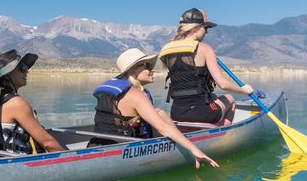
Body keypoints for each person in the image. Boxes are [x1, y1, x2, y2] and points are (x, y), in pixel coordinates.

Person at [90, 48, 218, 168]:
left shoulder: (120, 91)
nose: (152, 70)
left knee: (159, 113)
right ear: (133, 71)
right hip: (122, 150)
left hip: (99, 143)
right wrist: (194, 150)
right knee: (161, 119)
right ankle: (185, 142)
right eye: (147, 66)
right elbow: (162, 127)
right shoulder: (136, 95)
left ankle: (180, 138)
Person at [158, 8, 254, 126]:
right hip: (202, 113)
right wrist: (244, 90)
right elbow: (223, 84)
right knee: (230, 99)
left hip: (177, 112)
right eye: (206, 27)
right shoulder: (204, 48)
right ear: (196, 28)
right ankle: (223, 134)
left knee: (212, 96)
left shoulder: (168, 50)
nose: (207, 32)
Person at [0, 50, 66, 154]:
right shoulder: (17, 103)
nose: (27, 71)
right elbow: (48, 143)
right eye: (22, 68)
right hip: (14, 163)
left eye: (26, 67)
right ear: (7, 74)